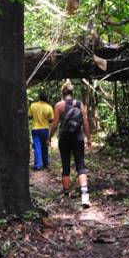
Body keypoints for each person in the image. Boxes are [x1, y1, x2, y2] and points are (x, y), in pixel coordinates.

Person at [49, 80, 92, 208]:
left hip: (64, 138)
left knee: (65, 164)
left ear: (62, 93)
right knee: (81, 165)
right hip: (78, 137)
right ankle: (85, 197)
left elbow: (55, 124)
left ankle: (66, 194)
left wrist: (49, 137)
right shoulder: (80, 104)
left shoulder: (58, 105)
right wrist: (88, 139)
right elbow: (85, 123)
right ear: (72, 93)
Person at [28, 91, 54, 171]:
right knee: (45, 146)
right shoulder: (49, 107)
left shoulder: (33, 105)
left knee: (37, 147)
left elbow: (29, 116)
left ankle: (38, 165)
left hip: (35, 129)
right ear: (47, 98)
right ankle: (45, 163)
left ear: (39, 97)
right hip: (45, 129)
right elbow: (51, 120)